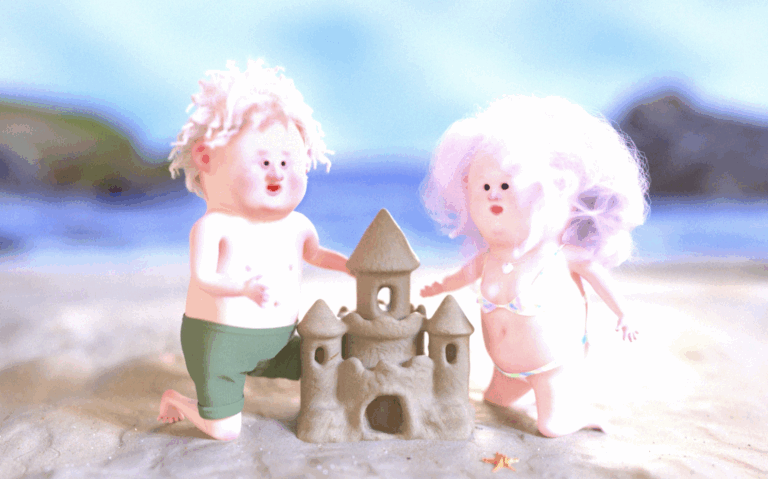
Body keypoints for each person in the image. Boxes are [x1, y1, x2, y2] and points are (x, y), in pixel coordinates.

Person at [420, 95, 648, 437]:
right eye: (484, 186)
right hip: (505, 369)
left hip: (552, 366)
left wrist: (624, 314)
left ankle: (573, 414)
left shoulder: (562, 256)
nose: (493, 195)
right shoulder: (491, 257)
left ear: (557, 196)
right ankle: (515, 389)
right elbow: (462, 275)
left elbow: (598, 278)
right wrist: (440, 286)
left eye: (505, 186)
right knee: (495, 401)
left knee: (551, 427)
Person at [158, 60, 349, 441]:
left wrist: (351, 265)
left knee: (331, 359)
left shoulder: (297, 225)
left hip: (280, 340)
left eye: (287, 162)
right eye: (263, 162)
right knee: (224, 431)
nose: (276, 173)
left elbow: (316, 255)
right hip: (220, 343)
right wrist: (242, 289)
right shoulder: (214, 226)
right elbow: (204, 277)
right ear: (207, 158)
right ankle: (177, 401)